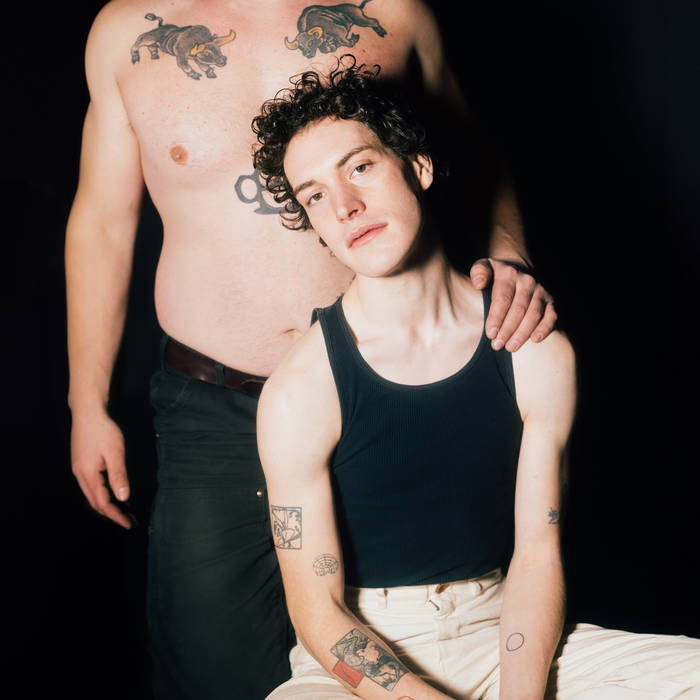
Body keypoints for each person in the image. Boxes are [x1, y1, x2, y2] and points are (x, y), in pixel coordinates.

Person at [65, 2, 556, 698]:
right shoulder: (126, 33)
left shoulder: (392, 12)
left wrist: (511, 259)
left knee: (410, 650)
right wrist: (86, 401)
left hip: (380, 400)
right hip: (213, 408)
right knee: (213, 670)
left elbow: (473, 151)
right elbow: (103, 220)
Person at [252, 62, 700, 699]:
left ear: (419, 166)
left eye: (360, 167)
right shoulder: (299, 390)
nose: (345, 206)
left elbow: (537, 556)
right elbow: (318, 613)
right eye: (315, 196)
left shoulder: (532, 349)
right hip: (360, 658)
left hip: (504, 631)